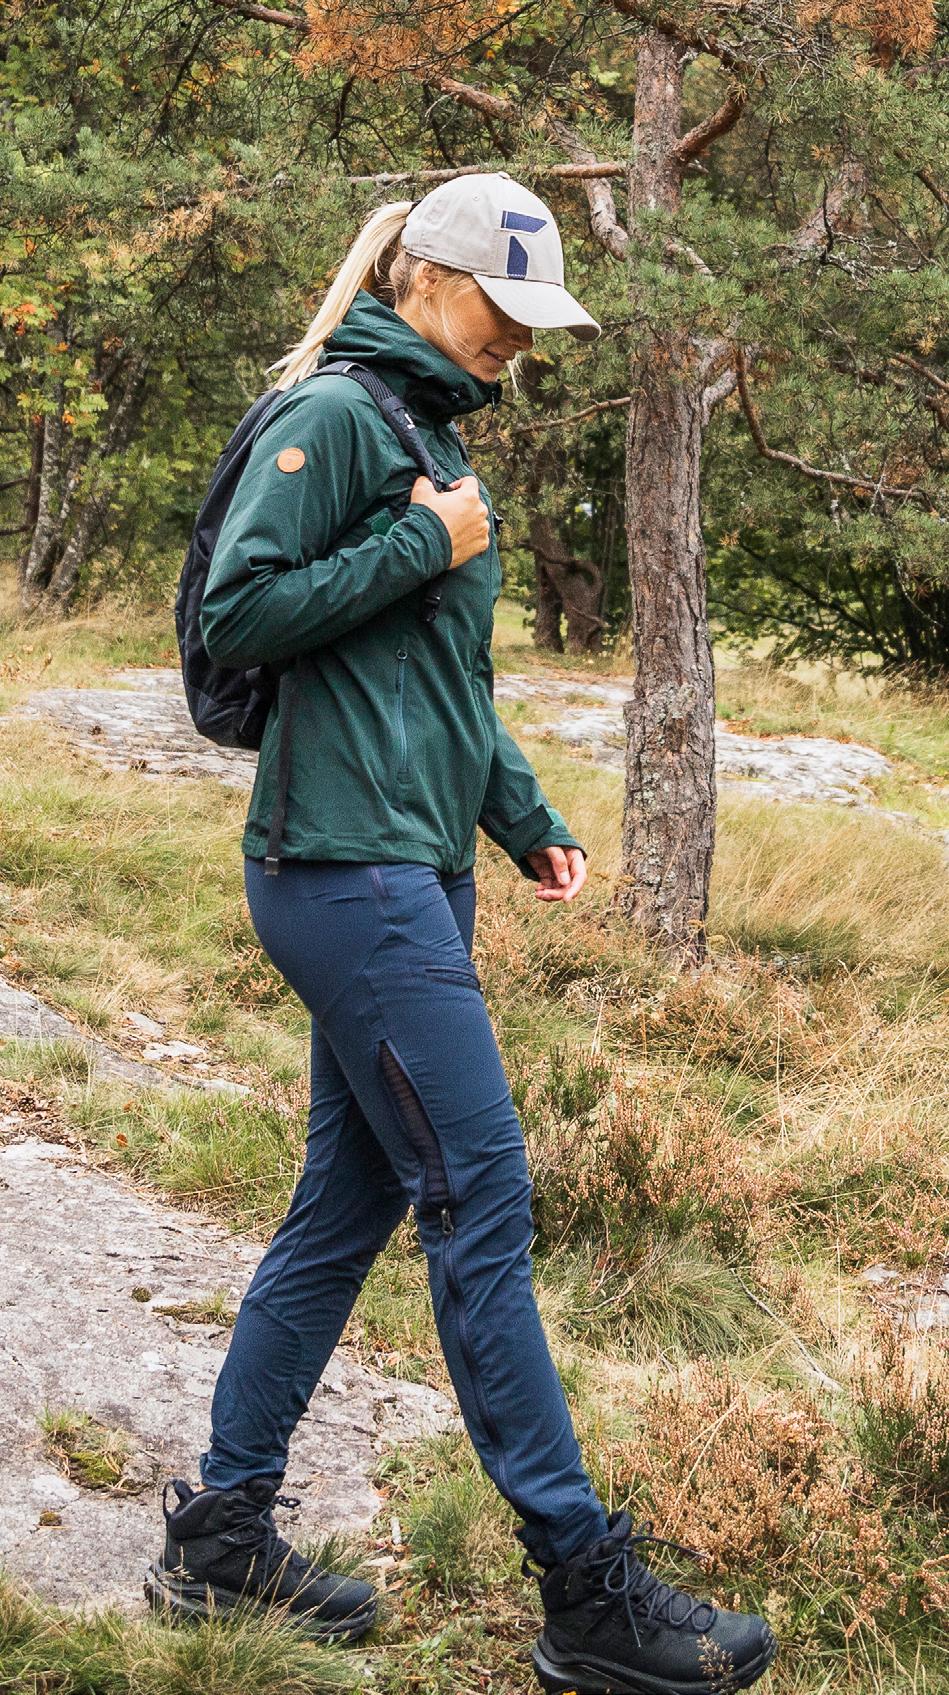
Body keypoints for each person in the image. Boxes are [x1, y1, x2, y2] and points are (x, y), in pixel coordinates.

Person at [146, 172, 777, 1695]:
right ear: (427, 279)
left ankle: (220, 1539)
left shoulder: (427, 437)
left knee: (346, 1205)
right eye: (505, 308)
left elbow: (442, 686)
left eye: (533, 320)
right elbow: (237, 613)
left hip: (412, 869)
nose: (519, 341)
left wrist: (523, 815)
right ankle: (586, 1590)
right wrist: (417, 549)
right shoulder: (339, 418)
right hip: (339, 868)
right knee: (481, 1194)